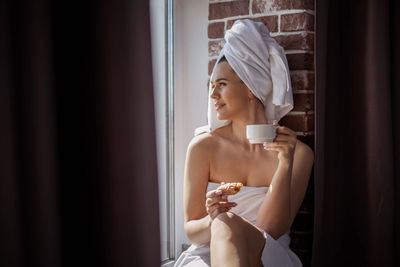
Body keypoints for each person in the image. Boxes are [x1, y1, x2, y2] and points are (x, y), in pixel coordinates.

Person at [174, 19, 314, 267]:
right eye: (212, 86)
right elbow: (192, 230)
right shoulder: (202, 147)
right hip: (207, 254)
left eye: (222, 84)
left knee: (229, 225)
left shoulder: (298, 154)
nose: (213, 94)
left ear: (250, 88)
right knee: (225, 223)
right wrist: (214, 219)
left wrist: (284, 165)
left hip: (265, 252)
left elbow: (272, 229)